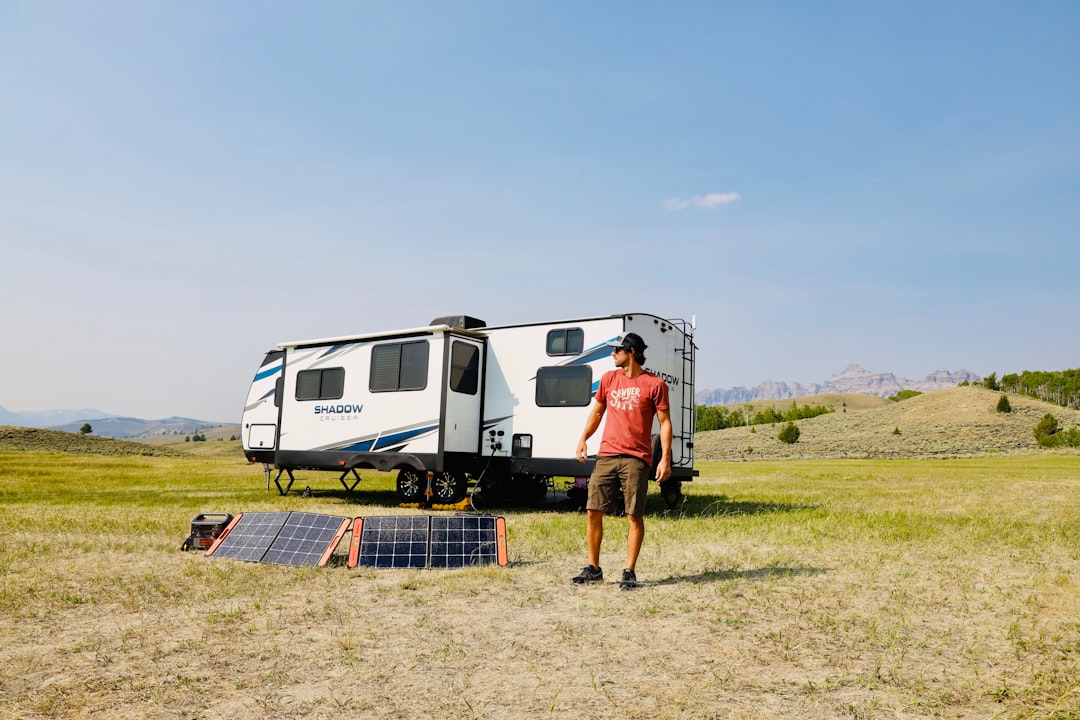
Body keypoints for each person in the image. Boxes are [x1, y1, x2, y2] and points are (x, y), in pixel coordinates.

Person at [573, 332, 672, 589]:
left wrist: (665, 459)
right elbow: (597, 412)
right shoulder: (608, 379)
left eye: (616, 350)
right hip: (607, 455)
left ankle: (629, 571)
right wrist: (584, 438)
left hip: (636, 459)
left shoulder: (655, 384)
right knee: (594, 511)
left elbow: (664, 423)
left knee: (633, 515)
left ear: (630, 352)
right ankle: (594, 568)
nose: (612, 354)